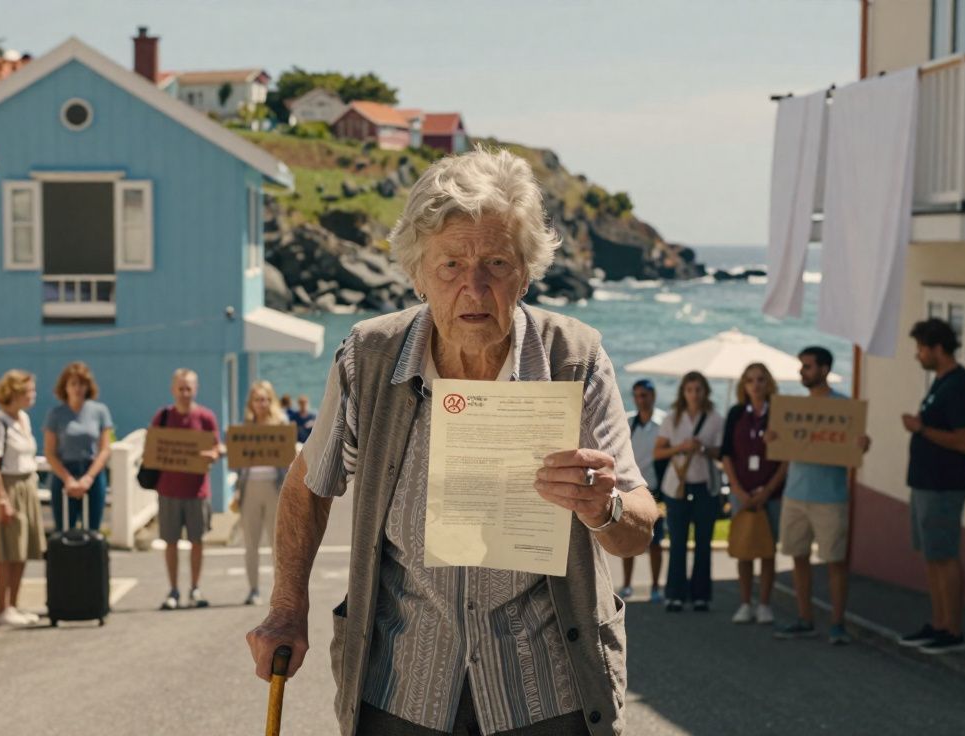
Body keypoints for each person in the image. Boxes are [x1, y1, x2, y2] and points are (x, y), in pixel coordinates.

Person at [245, 148, 657, 736]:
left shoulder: (575, 357)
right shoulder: (368, 357)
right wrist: (287, 608)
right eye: (451, 265)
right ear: (417, 275)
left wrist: (603, 506)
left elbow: (637, 525)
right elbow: (310, 484)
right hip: (403, 689)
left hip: (545, 693)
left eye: (496, 263)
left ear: (526, 273)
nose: (474, 287)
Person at [772, 347, 870, 645]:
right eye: (801, 366)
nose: (802, 371)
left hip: (830, 497)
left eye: (808, 366)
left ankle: (838, 624)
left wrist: (861, 445)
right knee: (798, 557)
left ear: (824, 369)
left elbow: (852, 447)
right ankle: (805, 619)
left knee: (835, 562)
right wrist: (773, 439)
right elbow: (782, 446)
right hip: (795, 494)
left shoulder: (843, 408)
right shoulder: (794, 409)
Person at [897, 319, 965, 655]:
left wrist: (921, 430)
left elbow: (964, 441)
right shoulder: (940, 383)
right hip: (925, 482)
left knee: (945, 554)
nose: (918, 355)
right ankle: (939, 622)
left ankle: (954, 630)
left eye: (921, 348)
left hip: (944, 485)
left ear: (937, 349)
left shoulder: (960, 386)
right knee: (931, 555)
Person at [720, 363, 787, 625]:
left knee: (767, 550)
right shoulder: (736, 413)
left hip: (771, 493)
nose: (755, 385)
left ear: (768, 383)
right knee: (744, 548)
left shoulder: (779, 414)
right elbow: (726, 454)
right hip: (742, 493)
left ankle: (765, 604)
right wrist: (737, 489)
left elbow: (787, 459)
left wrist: (767, 490)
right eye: (750, 380)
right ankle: (746, 603)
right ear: (743, 385)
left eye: (760, 379)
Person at [654, 371, 725, 613]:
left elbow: (722, 453)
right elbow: (658, 452)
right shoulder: (672, 418)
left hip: (705, 485)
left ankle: (701, 596)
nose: (694, 394)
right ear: (683, 392)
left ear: (705, 392)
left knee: (703, 543)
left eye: (698, 390)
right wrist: (680, 447)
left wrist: (702, 448)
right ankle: (674, 594)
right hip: (677, 486)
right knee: (678, 542)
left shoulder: (715, 419)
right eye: (689, 390)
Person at [0, 370, 46, 626]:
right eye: (28, 391)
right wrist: (2, 500)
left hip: (26, 484)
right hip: (8, 487)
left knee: (22, 550)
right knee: (7, 550)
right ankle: (1, 607)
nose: (33, 395)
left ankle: (14, 605)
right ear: (15, 393)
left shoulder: (23, 420)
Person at [154, 368, 222, 610]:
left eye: (189, 388)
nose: (185, 393)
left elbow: (218, 447)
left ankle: (195, 588)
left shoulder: (205, 417)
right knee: (170, 542)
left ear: (196, 389)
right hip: (169, 490)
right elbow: (153, 447)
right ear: (173, 389)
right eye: (181, 388)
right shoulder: (163, 417)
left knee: (197, 541)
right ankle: (173, 590)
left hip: (197, 491)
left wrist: (213, 454)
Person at [236, 380, 291, 606]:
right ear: (251, 402)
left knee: (277, 544)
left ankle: (280, 592)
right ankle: (253, 589)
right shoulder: (244, 427)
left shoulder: (281, 424)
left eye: (266, 399)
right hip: (250, 488)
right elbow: (237, 458)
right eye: (258, 399)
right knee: (251, 543)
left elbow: (290, 456)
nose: (262, 403)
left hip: (274, 488)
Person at [43, 361, 114, 533]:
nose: (78, 388)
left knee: (92, 529)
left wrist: (88, 478)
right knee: (64, 528)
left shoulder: (100, 411)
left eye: (82, 384)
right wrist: (68, 479)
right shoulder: (56, 414)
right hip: (65, 472)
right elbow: (50, 452)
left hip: (92, 472)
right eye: (73, 384)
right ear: (65, 387)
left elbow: (105, 449)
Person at [620, 378, 667, 602]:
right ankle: (627, 585)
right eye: (637, 395)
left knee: (656, 542)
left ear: (653, 396)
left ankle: (656, 586)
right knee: (627, 539)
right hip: (630, 489)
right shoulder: (628, 422)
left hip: (657, 490)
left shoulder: (664, 423)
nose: (641, 400)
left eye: (645, 395)